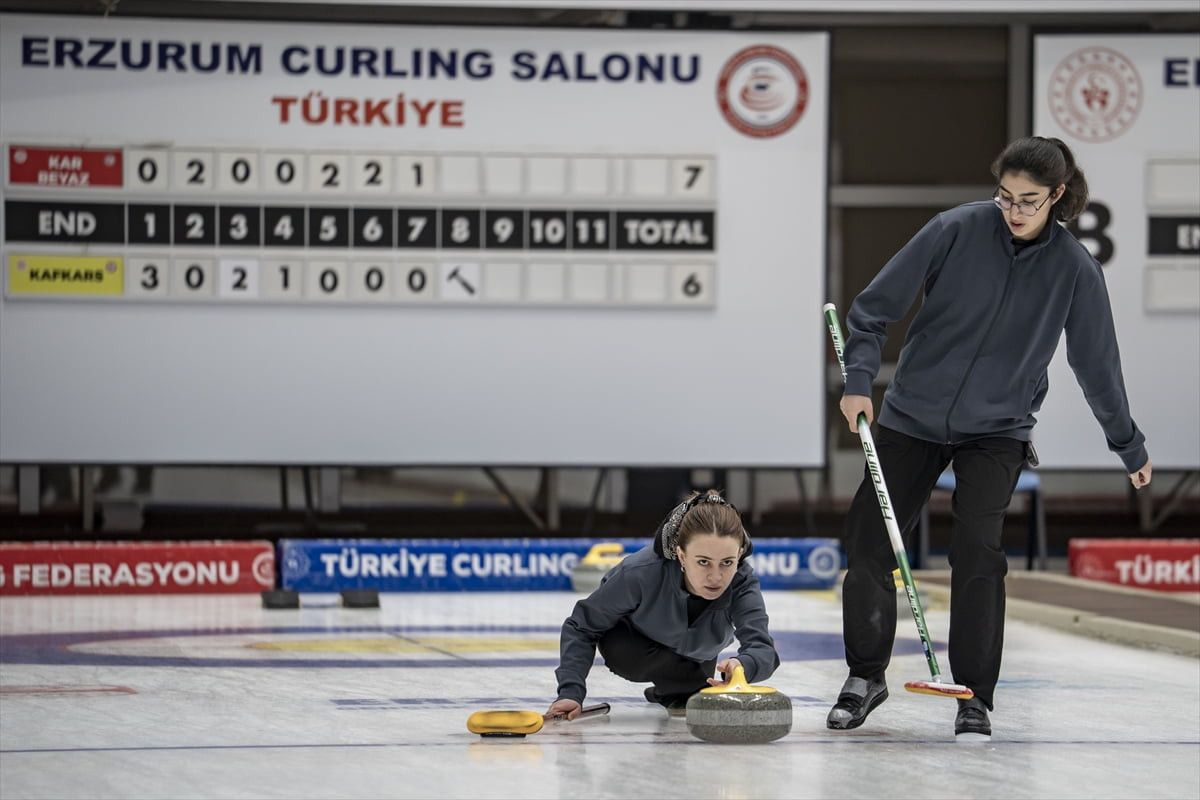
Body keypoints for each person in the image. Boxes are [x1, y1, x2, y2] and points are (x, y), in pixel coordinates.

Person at [827, 135, 1152, 739]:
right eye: (1004, 197)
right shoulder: (954, 229)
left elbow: (1097, 365)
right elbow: (871, 310)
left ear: (1057, 196)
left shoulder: (1075, 270)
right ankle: (864, 676)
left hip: (997, 430)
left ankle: (974, 693)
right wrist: (859, 380)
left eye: (1029, 200)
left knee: (978, 553)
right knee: (869, 539)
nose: (1014, 210)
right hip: (910, 418)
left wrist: (1127, 444)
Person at [545, 489, 780, 719]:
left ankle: (675, 686)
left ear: (739, 555)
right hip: (634, 647)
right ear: (681, 555)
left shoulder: (742, 581)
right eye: (703, 562)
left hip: (698, 655)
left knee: (690, 695)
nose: (716, 577)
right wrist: (571, 693)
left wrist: (743, 665)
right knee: (633, 658)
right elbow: (581, 626)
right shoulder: (639, 573)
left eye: (727, 562)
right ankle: (678, 683)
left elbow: (763, 649)